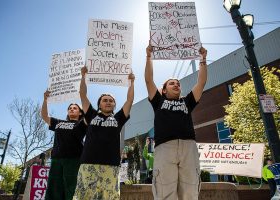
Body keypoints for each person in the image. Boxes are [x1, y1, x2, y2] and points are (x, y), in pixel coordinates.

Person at [145, 41, 208, 200]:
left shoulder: (187, 101)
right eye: (172, 83)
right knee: (165, 192)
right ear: (164, 90)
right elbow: (148, 80)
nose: (176, 85)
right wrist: (148, 56)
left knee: (190, 191)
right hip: (165, 148)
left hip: (189, 148)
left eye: (178, 83)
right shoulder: (158, 100)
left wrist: (203, 59)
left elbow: (201, 83)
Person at [74, 66, 135, 199]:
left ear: (114, 105)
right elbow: (82, 95)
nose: (108, 102)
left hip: (111, 165)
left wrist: (131, 82)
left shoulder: (118, 118)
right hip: (88, 164)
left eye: (111, 100)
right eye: (105, 100)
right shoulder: (91, 115)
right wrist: (83, 76)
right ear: (99, 104)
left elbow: (129, 100)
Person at [41, 91, 87, 200]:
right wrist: (45, 100)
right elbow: (44, 116)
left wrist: (83, 93)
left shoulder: (82, 124)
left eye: (75, 108)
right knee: (54, 188)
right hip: (56, 159)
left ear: (80, 113)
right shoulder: (58, 122)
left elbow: (89, 114)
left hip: (74, 160)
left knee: (71, 187)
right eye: (70, 108)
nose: (71, 109)